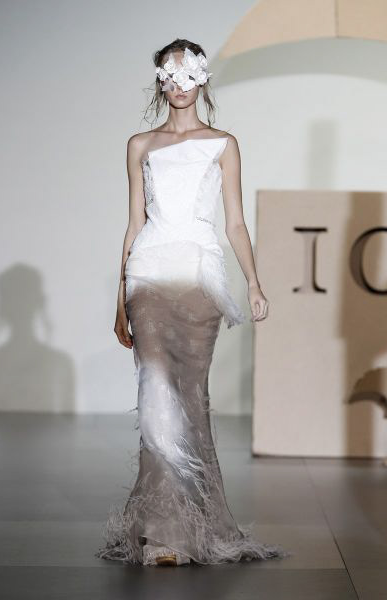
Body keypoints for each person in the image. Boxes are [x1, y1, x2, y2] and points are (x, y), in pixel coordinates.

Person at [95, 38, 290, 567]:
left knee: (188, 397)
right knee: (156, 399)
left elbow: (235, 222)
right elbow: (134, 224)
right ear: (160, 81)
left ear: (203, 80)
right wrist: (119, 299)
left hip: (200, 275)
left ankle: (198, 522)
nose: (179, 85)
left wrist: (253, 282)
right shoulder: (140, 144)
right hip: (148, 274)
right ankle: (163, 532)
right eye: (170, 75)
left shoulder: (223, 144)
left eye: (189, 75)